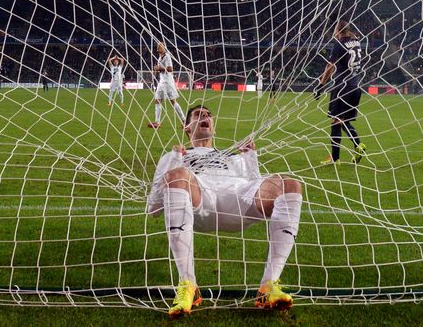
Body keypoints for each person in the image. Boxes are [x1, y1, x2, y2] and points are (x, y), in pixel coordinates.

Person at [147, 105, 303, 318]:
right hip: (201, 200)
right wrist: (175, 161)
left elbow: (254, 185)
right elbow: (153, 208)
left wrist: (250, 158)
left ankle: (268, 286)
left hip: (237, 199)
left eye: (208, 115)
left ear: (214, 128)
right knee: (179, 174)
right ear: (186, 127)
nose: (205, 116)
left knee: (290, 185)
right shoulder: (173, 156)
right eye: (198, 114)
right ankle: (188, 286)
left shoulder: (232, 157)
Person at [314, 20, 367, 164]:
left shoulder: (338, 44)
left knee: (335, 122)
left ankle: (337, 157)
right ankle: (358, 146)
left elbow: (330, 66)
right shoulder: (356, 41)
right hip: (356, 85)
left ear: (337, 31)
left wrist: (321, 85)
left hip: (342, 86)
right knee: (343, 121)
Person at [148, 43, 185, 128]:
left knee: (169, 101)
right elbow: (161, 69)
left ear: (164, 48)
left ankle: (183, 120)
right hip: (163, 81)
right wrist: (156, 70)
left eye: (160, 45)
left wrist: (159, 68)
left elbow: (170, 69)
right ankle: (158, 122)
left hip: (167, 82)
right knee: (160, 100)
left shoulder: (167, 56)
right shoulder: (160, 57)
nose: (158, 46)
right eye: (157, 45)